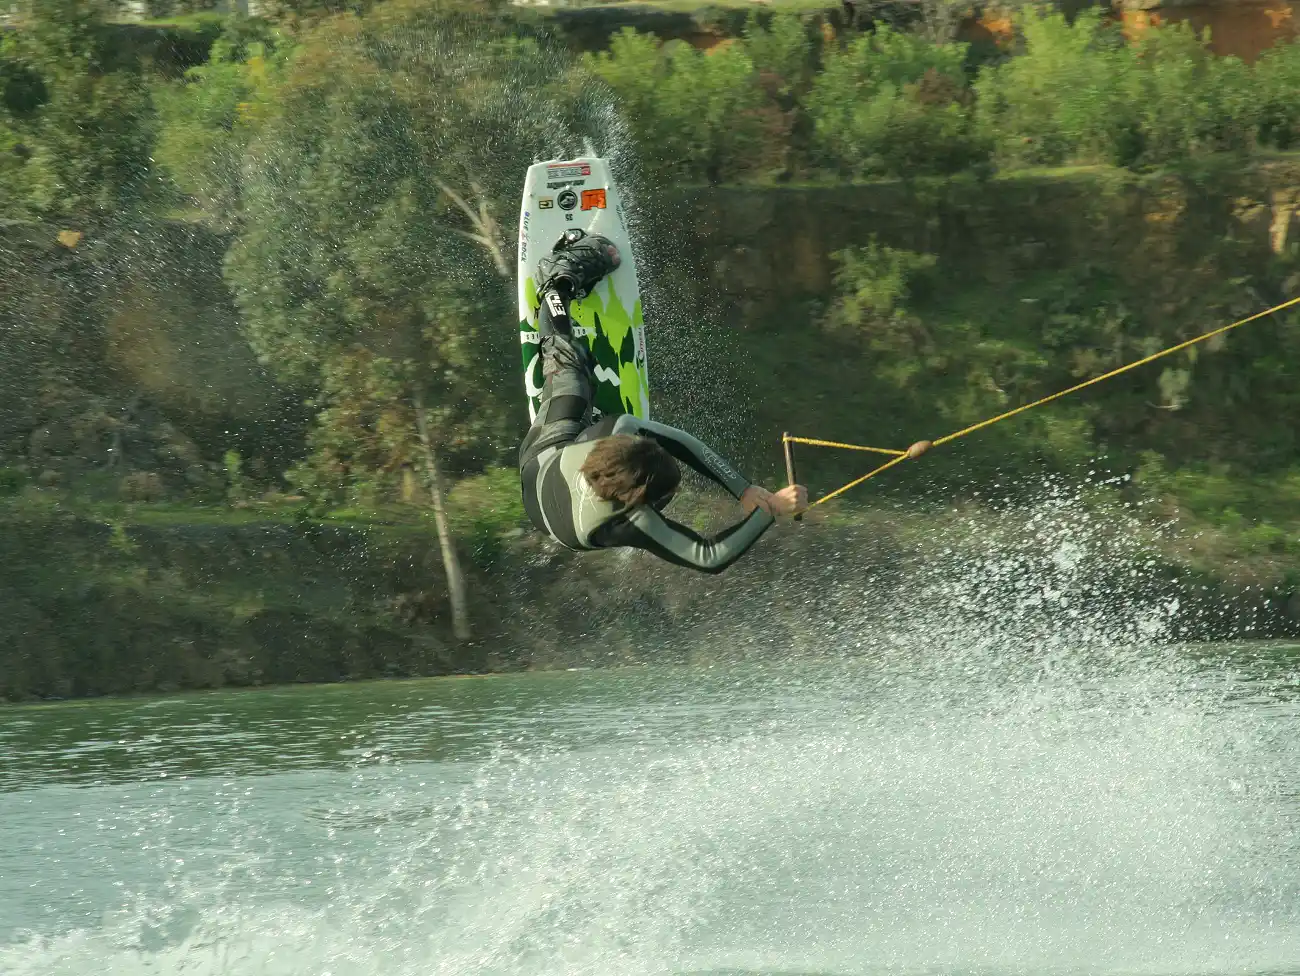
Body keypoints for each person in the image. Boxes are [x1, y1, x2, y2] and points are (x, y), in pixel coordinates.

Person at [518, 229, 807, 574]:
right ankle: (559, 289)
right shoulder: (630, 507)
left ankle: (556, 285)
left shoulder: (619, 443)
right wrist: (768, 508)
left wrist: (746, 492)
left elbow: (677, 444)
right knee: (577, 383)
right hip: (554, 493)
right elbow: (708, 557)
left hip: (544, 458)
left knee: (567, 366)